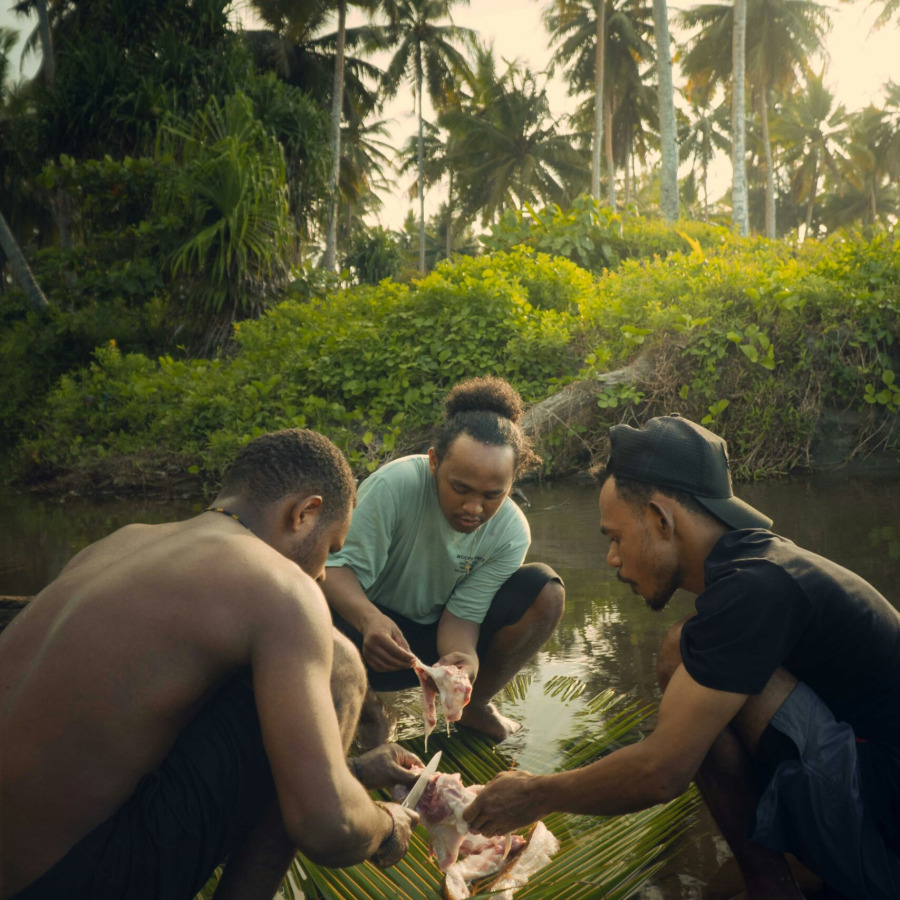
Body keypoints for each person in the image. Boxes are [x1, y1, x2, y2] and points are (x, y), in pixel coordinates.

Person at [464, 414, 900, 900]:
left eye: (615, 537)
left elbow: (662, 773)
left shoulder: (755, 588)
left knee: (683, 655)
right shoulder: (759, 566)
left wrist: (534, 794)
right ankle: (775, 877)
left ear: (661, 519)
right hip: (873, 787)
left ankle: (773, 885)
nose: (612, 559)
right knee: (692, 651)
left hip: (884, 833)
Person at [0, 428, 421, 900]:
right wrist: (385, 826)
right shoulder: (282, 588)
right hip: (67, 883)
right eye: (331, 548)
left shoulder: (122, 541)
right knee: (339, 664)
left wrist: (352, 774)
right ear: (305, 513)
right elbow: (328, 828)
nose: (322, 574)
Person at [323, 376, 565, 744]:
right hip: (357, 633)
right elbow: (333, 569)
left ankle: (474, 705)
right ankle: (367, 709)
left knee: (545, 590)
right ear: (434, 462)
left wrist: (463, 660)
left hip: (421, 648)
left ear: (512, 482)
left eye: (492, 495)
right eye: (460, 488)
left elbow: (463, 614)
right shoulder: (396, 485)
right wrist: (369, 618)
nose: (473, 508)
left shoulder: (511, 531)